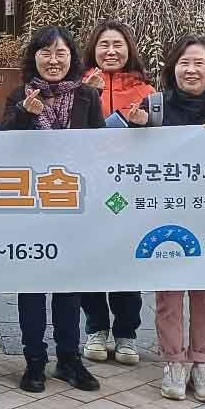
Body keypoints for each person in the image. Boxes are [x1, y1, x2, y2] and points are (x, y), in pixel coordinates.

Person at [125, 35, 205, 403]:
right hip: (164, 217)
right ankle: (173, 361)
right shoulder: (153, 107)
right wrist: (137, 128)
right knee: (168, 296)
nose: (191, 70)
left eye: (199, 63)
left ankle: (202, 362)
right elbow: (125, 158)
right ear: (172, 68)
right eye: (184, 63)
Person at [0, 26, 103, 394]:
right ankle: (34, 361)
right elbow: (2, 146)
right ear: (34, 58)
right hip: (31, 206)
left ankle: (69, 359)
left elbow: (99, 147)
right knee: (31, 286)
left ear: (72, 58)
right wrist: (23, 115)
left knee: (69, 286)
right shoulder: (20, 95)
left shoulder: (88, 96)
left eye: (61, 53)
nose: (53, 60)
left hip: (72, 204)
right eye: (45, 52)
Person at [78, 20, 154, 367]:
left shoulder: (147, 91)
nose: (111, 51)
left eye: (117, 45)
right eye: (104, 45)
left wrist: (145, 125)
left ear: (129, 49)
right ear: (93, 50)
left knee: (126, 260)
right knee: (90, 258)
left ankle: (126, 332)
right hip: (89, 189)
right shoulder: (76, 87)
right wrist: (86, 96)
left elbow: (162, 140)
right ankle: (96, 328)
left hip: (128, 191)